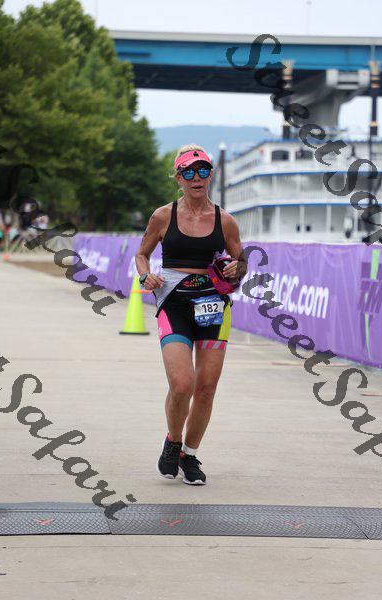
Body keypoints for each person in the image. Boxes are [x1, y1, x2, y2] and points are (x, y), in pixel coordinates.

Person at [135, 144, 247, 486]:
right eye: (188, 172)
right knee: (182, 384)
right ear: (178, 178)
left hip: (213, 306)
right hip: (175, 304)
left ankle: (190, 454)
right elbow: (141, 255)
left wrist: (236, 269)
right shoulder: (162, 216)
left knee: (207, 388)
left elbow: (241, 261)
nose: (196, 178)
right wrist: (145, 276)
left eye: (202, 171)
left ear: (211, 174)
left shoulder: (225, 220)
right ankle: (173, 441)